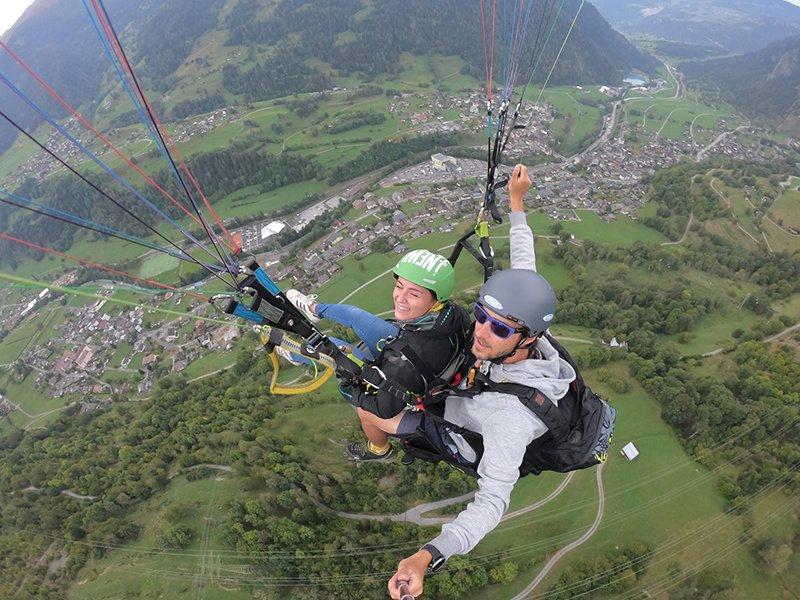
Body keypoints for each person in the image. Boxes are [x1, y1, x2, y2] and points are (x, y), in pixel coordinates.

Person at [353, 165, 578, 600]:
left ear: (525, 338)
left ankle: (377, 450)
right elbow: (524, 275)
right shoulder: (525, 328)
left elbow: (492, 502)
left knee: (368, 408)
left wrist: (426, 557)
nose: (480, 331)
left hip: (467, 429)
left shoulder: (511, 422)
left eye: (497, 328)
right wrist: (517, 204)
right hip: (471, 390)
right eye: (479, 316)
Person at [286, 248, 470, 462]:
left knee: (338, 358)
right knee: (357, 316)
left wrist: (351, 392)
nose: (400, 298)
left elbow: (384, 409)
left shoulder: (404, 366)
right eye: (399, 286)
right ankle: (313, 308)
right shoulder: (452, 313)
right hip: (418, 358)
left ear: (435, 300)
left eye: (414, 293)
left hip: (415, 384)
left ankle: (379, 450)